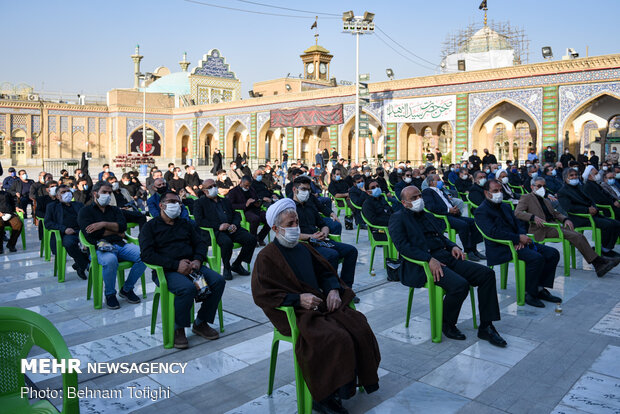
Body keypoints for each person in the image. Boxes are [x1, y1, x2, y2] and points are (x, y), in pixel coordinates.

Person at [252, 198, 380, 412]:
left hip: (319, 304)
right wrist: (297, 299)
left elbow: (325, 272)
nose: (295, 228)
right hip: (294, 313)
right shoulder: (266, 257)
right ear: (275, 228)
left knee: (358, 324)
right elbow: (263, 294)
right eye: (290, 225)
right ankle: (323, 398)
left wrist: (332, 289)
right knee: (334, 337)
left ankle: (345, 387)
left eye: (296, 223)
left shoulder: (304, 248)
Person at [389, 186, 506, 346]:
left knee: (486, 274)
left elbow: (441, 237)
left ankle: (486, 326)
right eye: (414, 198)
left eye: (419, 196)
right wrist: (428, 259)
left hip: (445, 257)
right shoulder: (398, 218)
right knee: (460, 285)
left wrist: (453, 246)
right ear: (404, 203)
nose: (419, 200)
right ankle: (446, 323)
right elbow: (402, 247)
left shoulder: (427, 215)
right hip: (422, 264)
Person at [139, 191, 224, 349]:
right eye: (171, 202)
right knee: (187, 288)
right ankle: (179, 328)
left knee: (218, 281)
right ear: (161, 205)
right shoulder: (150, 227)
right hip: (167, 271)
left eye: (178, 202)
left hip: (192, 266)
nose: (175, 205)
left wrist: (198, 259)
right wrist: (175, 265)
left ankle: (201, 322)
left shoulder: (186, 224)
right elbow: (147, 255)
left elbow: (200, 243)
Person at [475, 179, 561, 308]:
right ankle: (529, 294)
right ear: (487, 193)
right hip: (501, 246)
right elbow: (492, 232)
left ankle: (539, 288)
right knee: (536, 258)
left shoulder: (505, 206)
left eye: (500, 190)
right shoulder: (482, 210)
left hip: (517, 241)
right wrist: (516, 239)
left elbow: (519, 223)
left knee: (552, 253)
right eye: (495, 191)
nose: (499, 193)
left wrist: (522, 236)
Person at [515, 177, 620, 277]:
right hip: (541, 229)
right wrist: (533, 217)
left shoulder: (545, 200)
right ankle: (598, 262)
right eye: (539, 186)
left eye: (544, 186)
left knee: (578, 235)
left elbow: (556, 214)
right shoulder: (527, 197)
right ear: (532, 186)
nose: (542, 188)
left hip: (553, 226)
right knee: (576, 236)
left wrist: (566, 219)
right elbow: (517, 212)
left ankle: (598, 262)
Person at [78, 181, 146, 309]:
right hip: (100, 247)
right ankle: (110, 294)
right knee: (110, 260)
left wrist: (102, 224)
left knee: (144, 256)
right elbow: (90, 234)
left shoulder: (115, 210)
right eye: (104, 192)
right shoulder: (85, 211)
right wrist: (115, 230)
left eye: (109, 193)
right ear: (95, 193)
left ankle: (126, 289)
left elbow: (122, 227)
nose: (107, 195)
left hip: (119, 244)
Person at [292, 177, 358, 296]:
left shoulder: (310, 206)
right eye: (303, 189)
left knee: (351, 251)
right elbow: (291, 233)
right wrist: (311, 236)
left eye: (308, 190)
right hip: (304, 244)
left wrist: (324, 233)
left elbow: (323, 224)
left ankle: (346, 289)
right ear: (294, 189)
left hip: (319, 240)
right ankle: (330, 289)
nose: (306, 192)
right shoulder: (290, 208)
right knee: (332, 254)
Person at [195, 179, 256, 280]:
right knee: (227, 242)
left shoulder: (224, 200)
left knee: (251, 239)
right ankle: (227, 267)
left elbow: (235, 214)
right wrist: (218, 226)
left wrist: (234, 224)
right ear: (205, 190)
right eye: (210, 187)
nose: (214, 188)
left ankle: (237, 264)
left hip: (231, 228)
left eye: (214, 185)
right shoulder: (200, 203)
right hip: (216, 231)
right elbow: (199, 221)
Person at [423, 174, 485, 261]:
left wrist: (455, 210)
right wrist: (448, 210)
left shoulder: (441, 191)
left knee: (474, 221)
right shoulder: (427, 192)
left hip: (452, 214)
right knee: (463, 225)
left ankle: (474, 250)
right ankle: (468, 251)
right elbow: (431, 207)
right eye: (438, 179)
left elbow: (448, 203)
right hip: (442, 217)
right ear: (431, 182)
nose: (441, 181)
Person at [44, 185, 90, 280]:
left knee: (95, 241)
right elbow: (48, 223)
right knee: (69, 243)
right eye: (63, 192)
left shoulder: (78, 204)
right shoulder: (52, 206)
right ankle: (84, 264)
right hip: (66, 233)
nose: (67, 193)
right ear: (57, 196)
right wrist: (64, 229)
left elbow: (87, 217)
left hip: (81, 231)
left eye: (68, 191)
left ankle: (80, 264)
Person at [227, 176, 271, 246]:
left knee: (270, 217)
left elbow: (256, 198)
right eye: (246, 185)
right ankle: (253, 238)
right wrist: (245, 205)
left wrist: (258, 202)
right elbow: (230, 205)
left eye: (249, 186)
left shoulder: (251, 189)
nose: (247, 187)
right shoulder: (233, 192)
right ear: (241, 182)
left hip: (255, 209)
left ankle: (260, 237)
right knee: (255, 219)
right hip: (244, 211)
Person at [0, 186, 24, 253]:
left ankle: (11, 244)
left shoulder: (6, 194)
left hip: (9, 214)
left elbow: (13, 202)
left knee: (18, 224)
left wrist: (16, 207)